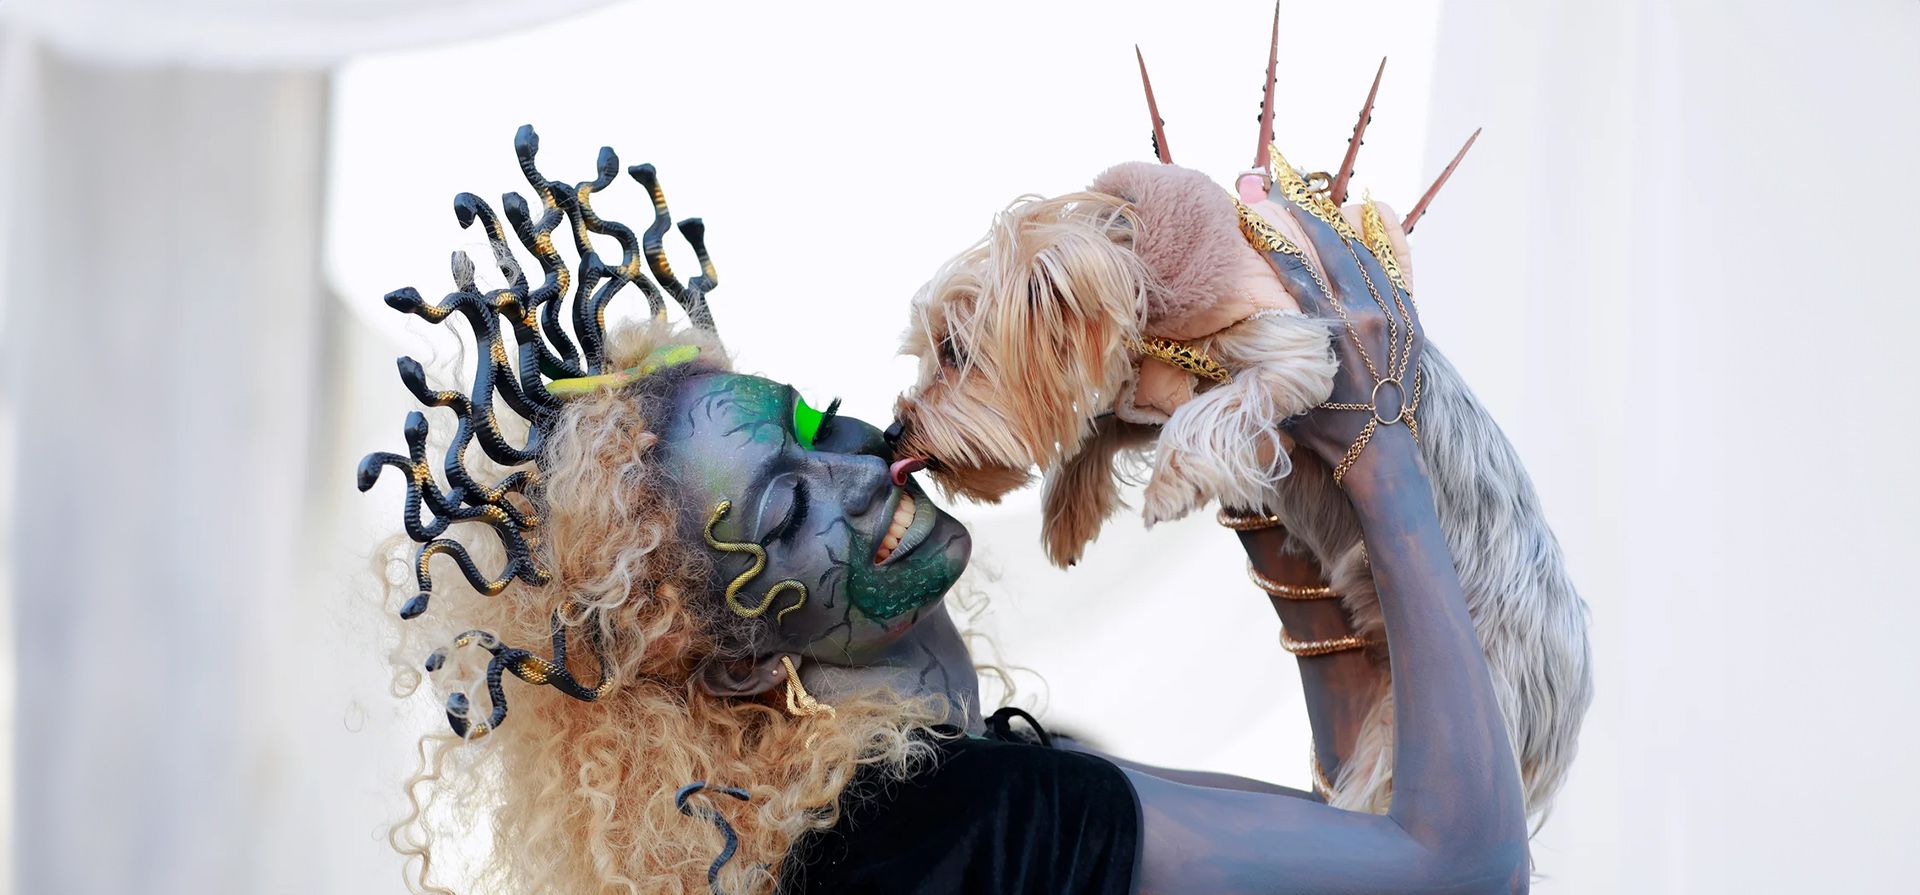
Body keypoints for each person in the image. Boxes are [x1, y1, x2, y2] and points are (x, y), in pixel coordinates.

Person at [362, 126, 1528, 894]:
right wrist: (1377, 450)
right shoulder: (967, 825)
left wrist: (1272, 484)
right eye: (788, 506)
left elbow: (1360, 842)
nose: (866, 462)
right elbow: (1459, 867)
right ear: (740, 664)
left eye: (813, 424)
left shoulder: (912, 815)